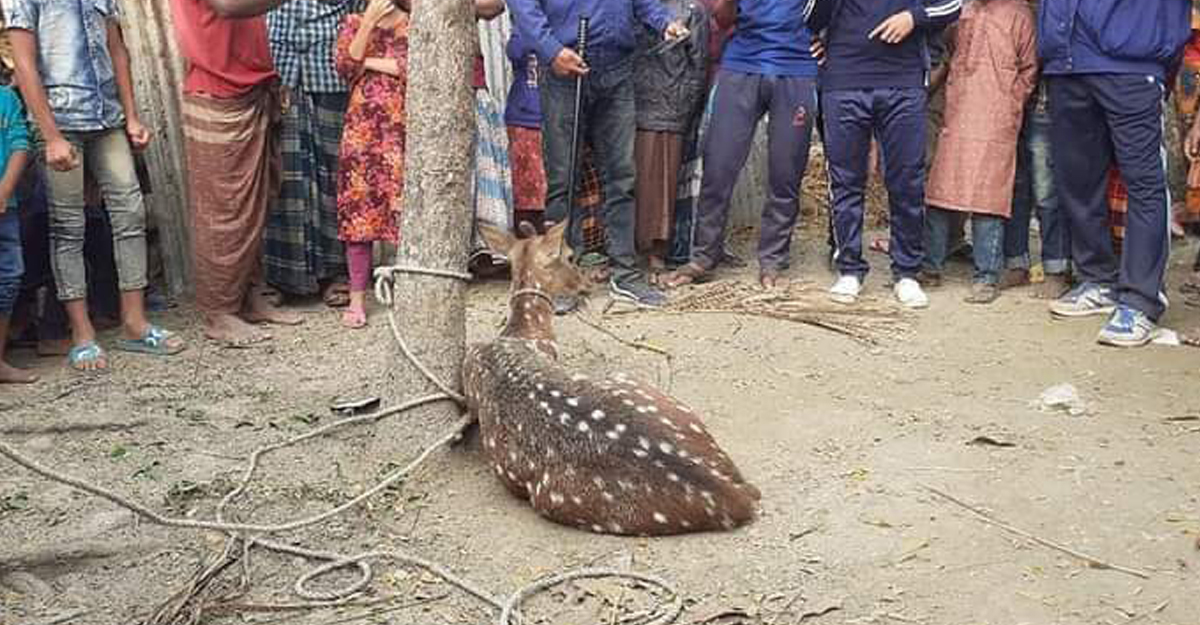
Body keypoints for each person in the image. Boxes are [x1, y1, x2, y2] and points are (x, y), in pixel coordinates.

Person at [4, 0, 186, 372]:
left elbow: (117, 50)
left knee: (130, 212)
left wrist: (132, 116)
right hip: (61, 118)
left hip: (107, 118)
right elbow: (24, 64)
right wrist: (51, 135)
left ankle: (134, 324)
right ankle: (82, 334)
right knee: (68, 226)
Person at [508, 0, 688, 309]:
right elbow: (524, 6)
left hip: (616, 70)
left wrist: (663, 22)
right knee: (563, 179)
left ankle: (626, 275)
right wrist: (551, 50)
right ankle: (563, 282)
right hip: (564, 71)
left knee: (622, 176)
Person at [1038, 0, 1190, 347]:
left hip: (1133, 63)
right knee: (1075, 179)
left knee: (1144, 182)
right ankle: (1099, 279)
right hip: (1066, 63)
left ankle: (1142, 299)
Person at [805, 0, 962, 309]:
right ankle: (849, 268)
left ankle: (906, 272)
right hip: (844, 80)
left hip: (903, 82)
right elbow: (809, 19)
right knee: (845, 180)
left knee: (906, 181)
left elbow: (953, 5)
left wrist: (912, 17)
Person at [170, 0, 303, 347]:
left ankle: (249, 297)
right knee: (223, 211)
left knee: (256, 204)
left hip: (250, 84)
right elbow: (228, 5)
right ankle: (220, 313)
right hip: (218, 88)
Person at [667, 0, 817, 290]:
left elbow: (832, 13)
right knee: (718, 166)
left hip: (796, 67)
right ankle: (704, 256)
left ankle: (773, 259)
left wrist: (825, 41)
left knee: (786, 172)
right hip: (742, 63)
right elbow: (723, 20)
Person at [925, 0, 1037, 304]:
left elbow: (1029, 69)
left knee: (989, 198)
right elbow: (948, 54)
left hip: (997, 117)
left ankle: (986, 277)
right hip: (958, 111)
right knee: (940, 192)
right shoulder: (962, 10)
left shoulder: (1019, 14)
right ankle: (930, 268)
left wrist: (1011, 103)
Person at [264, 0, 358, 308]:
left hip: (330, 68)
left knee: (335, 175)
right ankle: (280, 275)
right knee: (282, 175)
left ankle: (337, 272)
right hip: (278, 67)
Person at [334, 0, 408, 329]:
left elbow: (413, 67)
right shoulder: (352, 22)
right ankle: (357, 299)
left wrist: (369, 62)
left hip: (401, 132)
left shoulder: (414, 23)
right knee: (359, 216)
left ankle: (410, 293)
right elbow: (345, 67)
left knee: (406, 212)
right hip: (361, 136)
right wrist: (367, 24)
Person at [632, 0, 708, 282]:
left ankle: (656, 250)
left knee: (663, 181)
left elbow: (699, 66)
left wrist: (686, 107)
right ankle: (626, 249)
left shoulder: (692, 10)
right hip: (629, 100)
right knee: (626, 177)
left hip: (670, 103)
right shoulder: (630, 7)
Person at [0, 82, 36, 383]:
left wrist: (4, 191)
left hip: (3, 206)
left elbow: (20, 143)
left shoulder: (5, 98)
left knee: (8, 277)